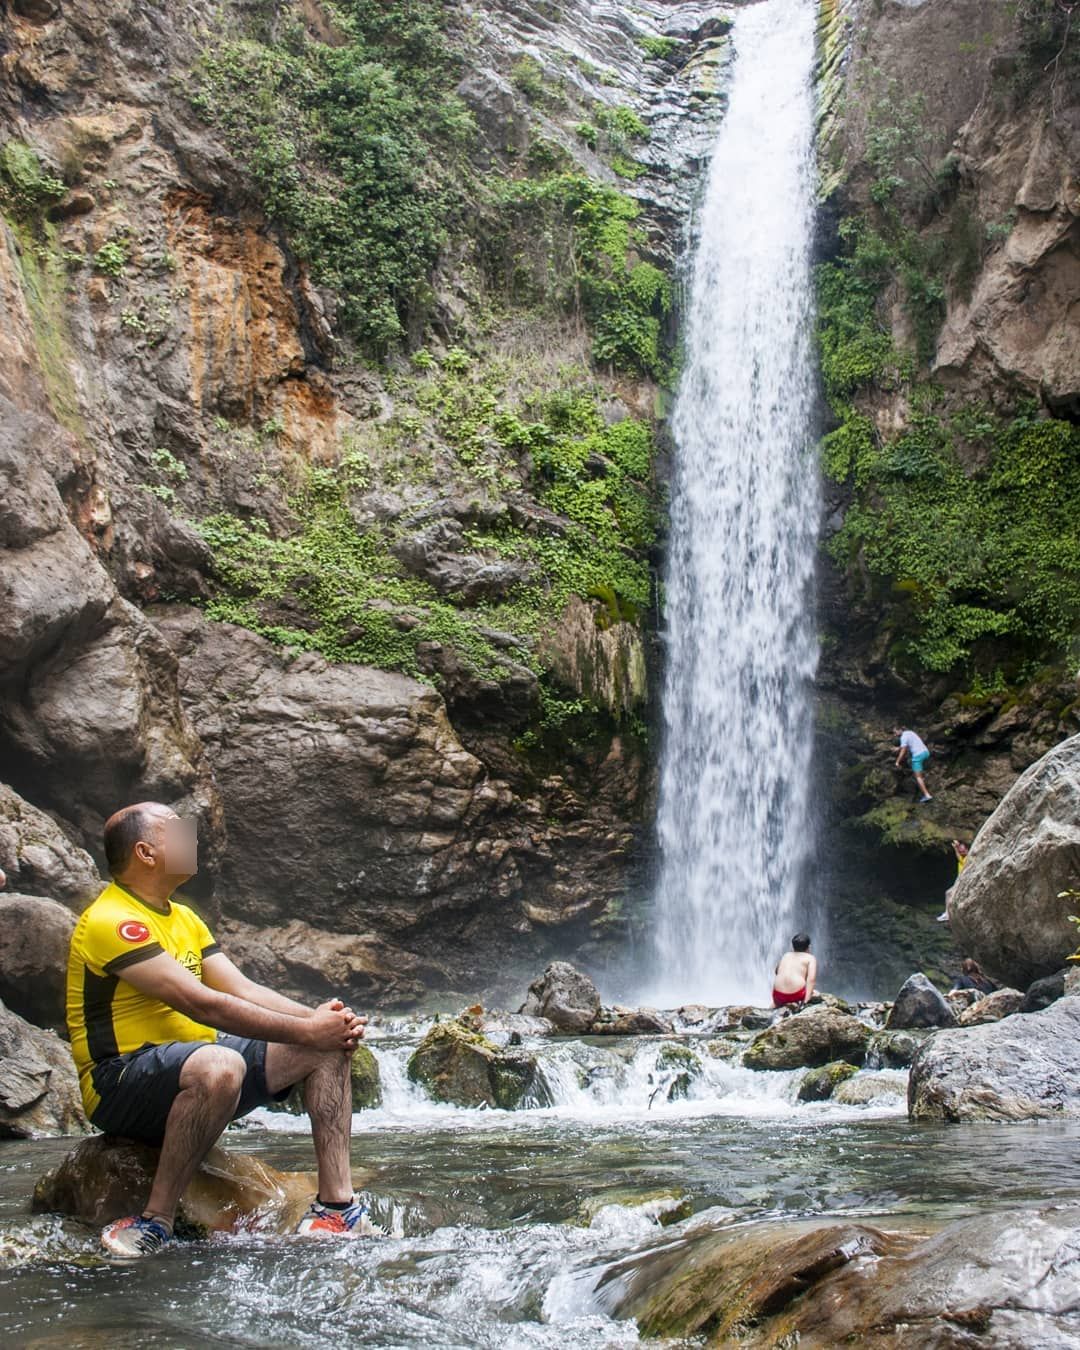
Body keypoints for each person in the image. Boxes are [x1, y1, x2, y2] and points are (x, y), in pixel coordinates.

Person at [67, 801, 377, 1263]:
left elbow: (242, 989)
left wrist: (322, 1023)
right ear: (146, 852)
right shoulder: (113, 921)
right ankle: (157, 1220)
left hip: (196, 1062)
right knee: (223, 1063)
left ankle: (336, 1206)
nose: (192, 837)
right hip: (119, 1081)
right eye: (176, 830)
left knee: (324, 1049)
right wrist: (310, 1028)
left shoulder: (184, 918)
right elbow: (202, 1002)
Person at [772, 934, 817, 1008]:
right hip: (796, 995)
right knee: (815, 993)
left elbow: (777, 971)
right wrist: (806, 1001)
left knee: (776, 1004)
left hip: (778, 995)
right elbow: (811, 980)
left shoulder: (786, 955)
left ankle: (772, 1009)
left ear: (793, 947)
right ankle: (799, 1004)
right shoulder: (810, 958)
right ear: (809, 947)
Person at [893, 725, 933, 803]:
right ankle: (922, 775)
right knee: (911, 763)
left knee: (917, 777)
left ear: (899, 730)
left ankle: (927, 795)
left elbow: (903, 751)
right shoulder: (910, 732)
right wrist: (898, 748)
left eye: (895, 733)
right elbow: (906, 744)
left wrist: (897, 762)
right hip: (925, 752)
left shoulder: (903, 737)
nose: (895, 735)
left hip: (918, 757)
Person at [937, 839, 969, 923]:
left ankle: (948, 914)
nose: (962, 852)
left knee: (949, 894)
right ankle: (948, 913)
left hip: (964, 882)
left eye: (963, 850)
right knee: (948, 894)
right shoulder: (963, 857)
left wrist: (956, 847)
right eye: (961, 851)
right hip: (960, 881)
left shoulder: (968, 858)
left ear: (968, 850)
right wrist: (957, 846)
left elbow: (958, 857)